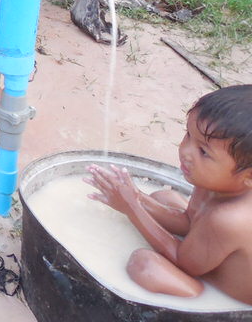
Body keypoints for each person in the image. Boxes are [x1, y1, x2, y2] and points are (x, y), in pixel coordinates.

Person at [86, 85, 252, 304]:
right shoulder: (212, 181)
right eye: (188, 135)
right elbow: (189, 221)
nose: (185, 151)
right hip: (207, 250)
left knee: (145, 265)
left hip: (225, 298)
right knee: (164, 197)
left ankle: (194, 296)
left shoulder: (229, 219)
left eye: (203, 152)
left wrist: (131, 207)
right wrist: (135, 196)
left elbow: (184, 263)